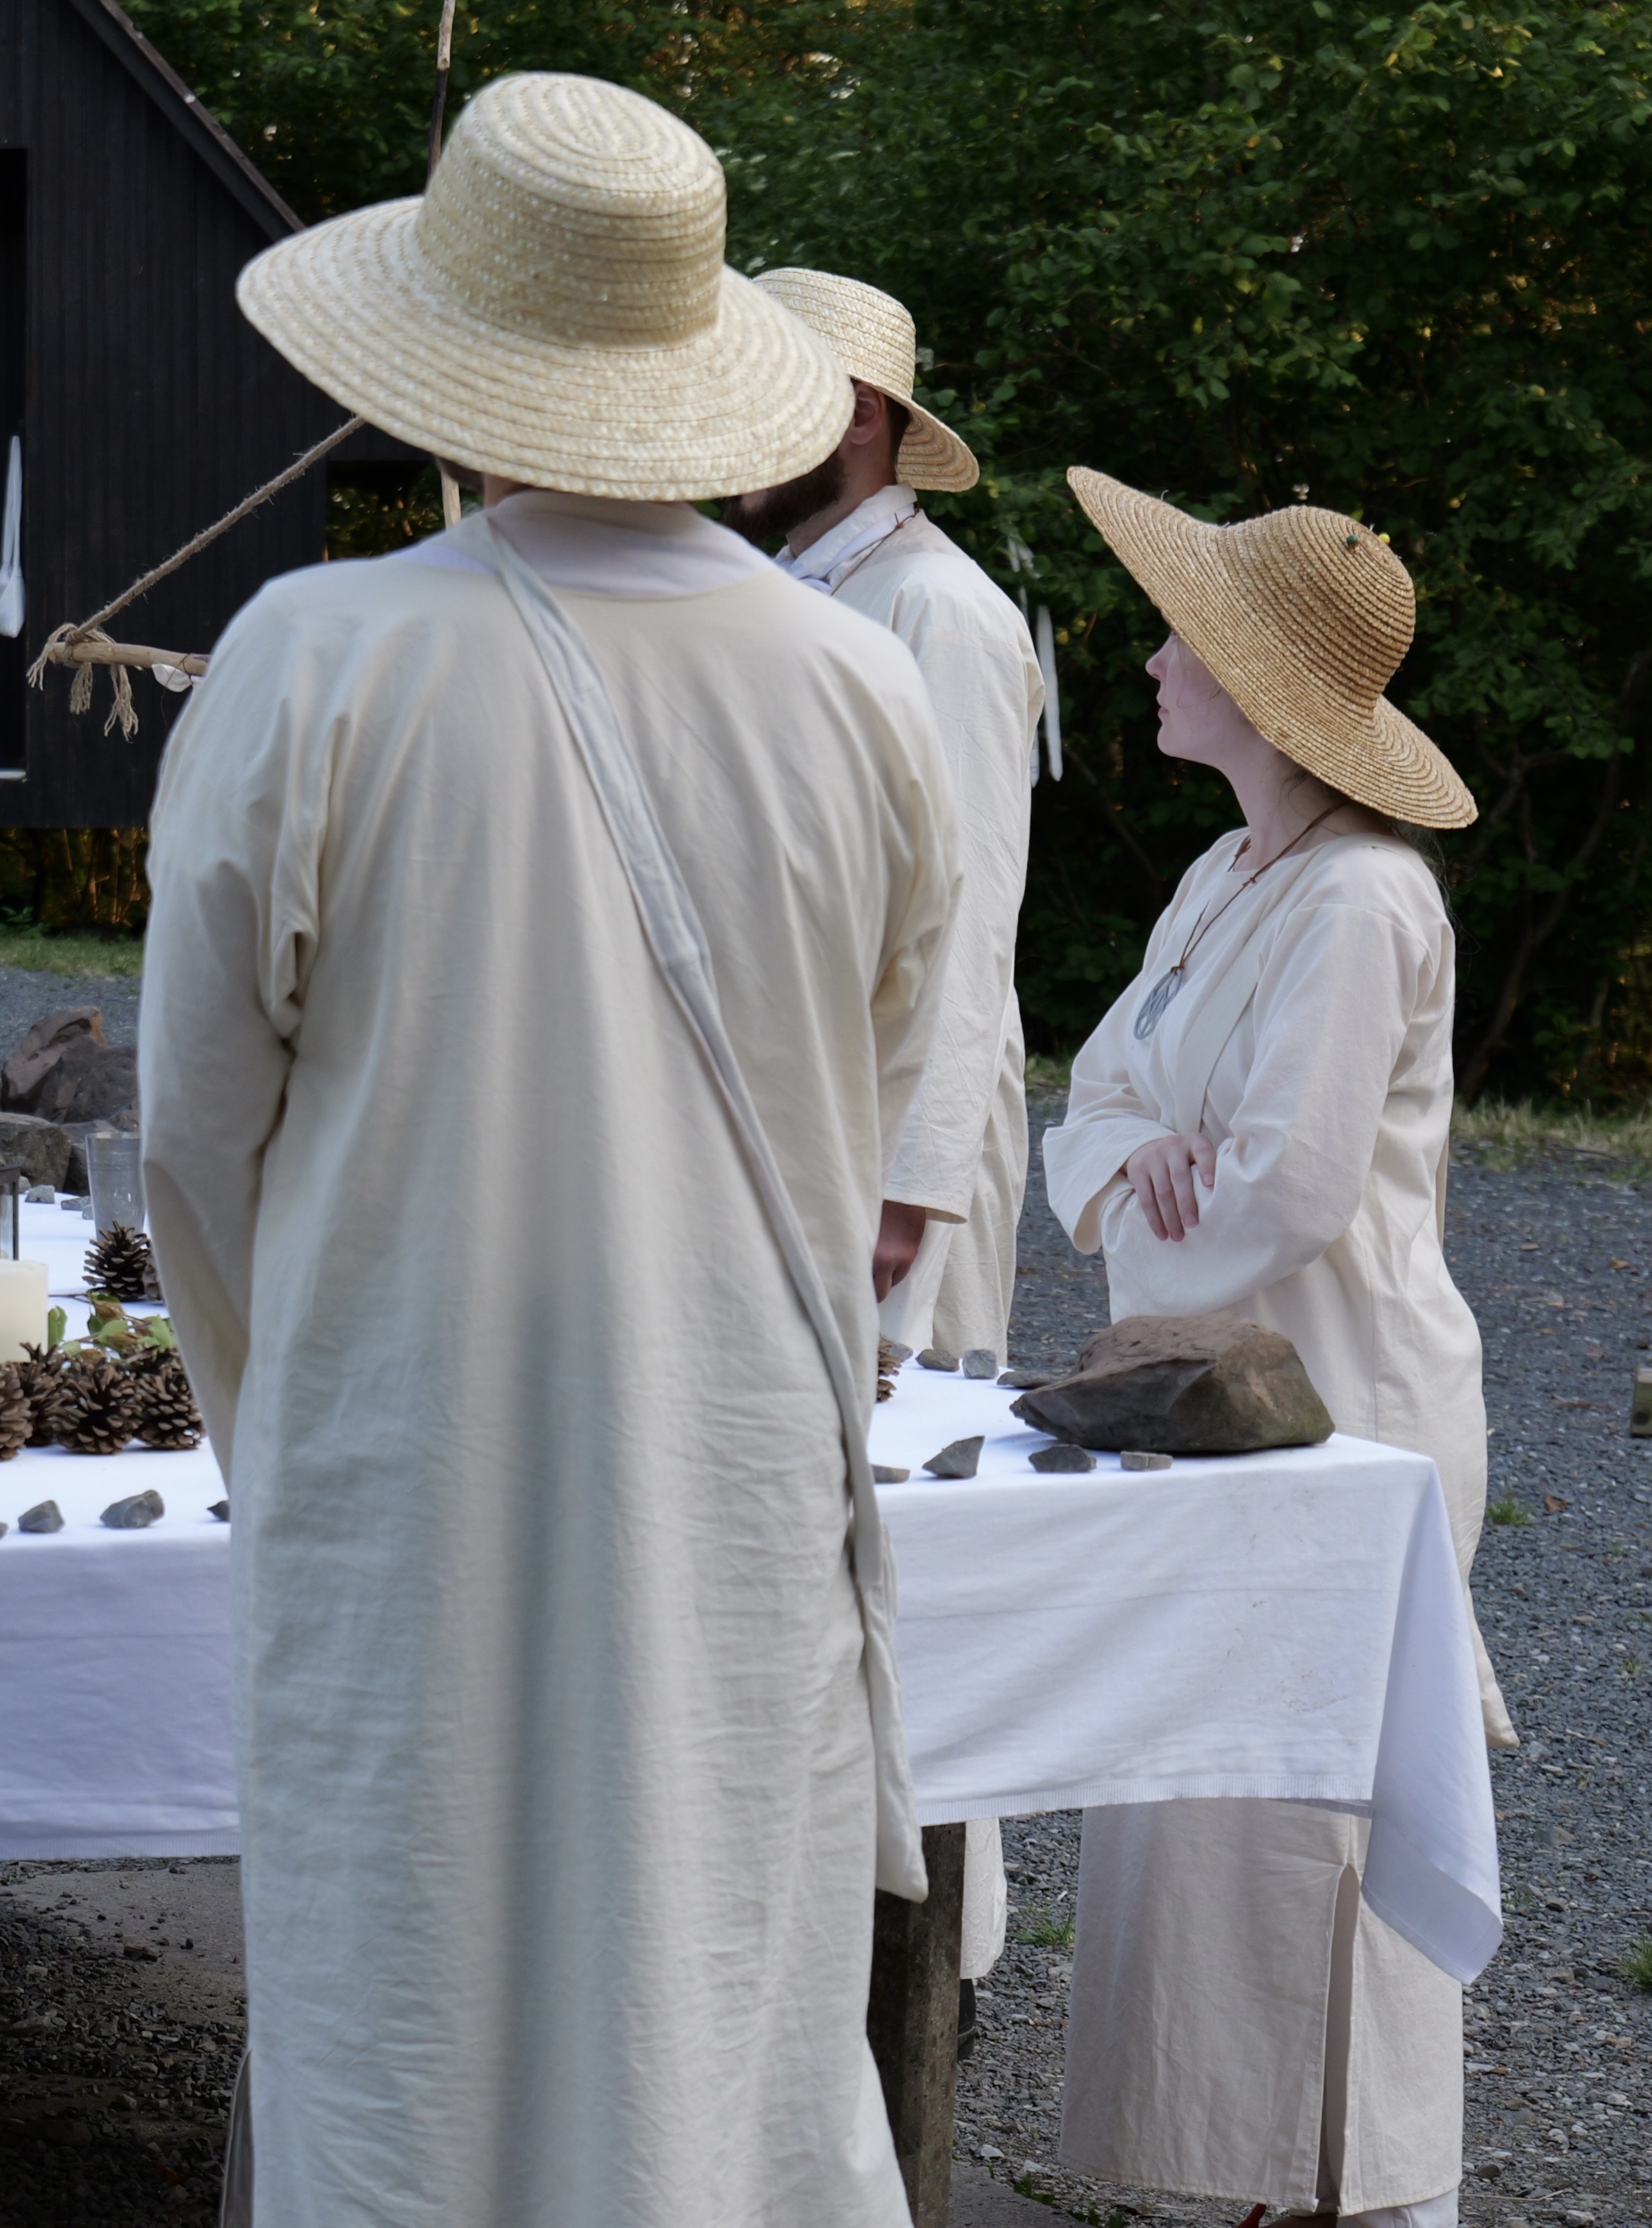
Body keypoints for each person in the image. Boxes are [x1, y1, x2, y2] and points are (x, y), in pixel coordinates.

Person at [140, 73, 950, 2224]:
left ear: (446, 357)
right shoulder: (858, 686)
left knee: (407, 2028)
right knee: (704, 2023)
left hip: (408, 1452)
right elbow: (865, 1086)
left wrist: (284, 1415)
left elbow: (192, 1132)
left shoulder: (314, 658)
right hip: (736, 1459)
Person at [1042, 468, 1504, 2228]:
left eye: (1183, 636)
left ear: (1255, 679)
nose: (1156, 661)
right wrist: (1132, 1169)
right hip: (1215, 1396)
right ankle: (1255, 2183)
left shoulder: (1363, 901)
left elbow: (1287, 1195)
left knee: (1320, 1824)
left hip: (1339, 1413)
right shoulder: (1224, 874)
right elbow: (1092, 1096)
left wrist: (1160, 1196)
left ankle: (1361, 2196)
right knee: (1219, 1812)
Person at [728, 265, 1050, 2013]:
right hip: (807, 1121)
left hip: (900, 1146)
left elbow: (972, 922)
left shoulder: (944, 615)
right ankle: (804, 1903)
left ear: (855, 417)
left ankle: (943, 1968)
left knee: (911, 1526)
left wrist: (911, 1189)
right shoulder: (797, 585)